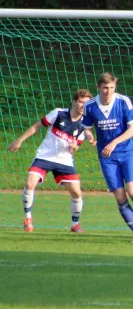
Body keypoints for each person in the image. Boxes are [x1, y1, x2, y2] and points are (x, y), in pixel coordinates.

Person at [82, 72, 133, 243]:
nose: (108, 91)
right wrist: (90, 136)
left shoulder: (123, 101)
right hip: (107, 157)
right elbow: (87, 127)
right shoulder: (90, 106)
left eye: (111, 88)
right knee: (120, 196)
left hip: (127, 153)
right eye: (105, 88)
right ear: (98, 88)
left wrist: (114, 142)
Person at [8, 89, 93, 233]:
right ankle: (28, 219)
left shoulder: (84, 125)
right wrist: (20, 140)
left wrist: (73, 147)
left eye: (86, 104)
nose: (82, 106)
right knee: (30, 183)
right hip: (44, 156)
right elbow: (37, 126)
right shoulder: (58, 113)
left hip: (64, 161)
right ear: (74, 101)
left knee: (77, 194)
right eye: (80, 102)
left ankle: (75, 225)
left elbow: (76, 147)